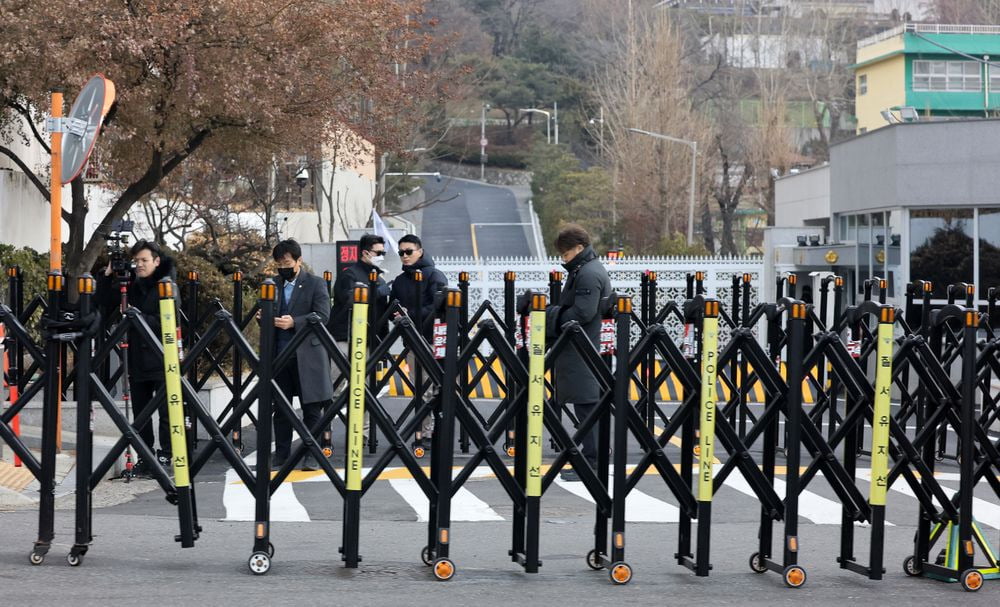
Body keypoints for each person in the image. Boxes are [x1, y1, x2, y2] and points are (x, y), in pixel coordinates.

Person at [97, 239, 179, 477]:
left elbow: (169, 319)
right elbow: (104, 301)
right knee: (141, 412)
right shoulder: (131, 283)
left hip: (162, 357)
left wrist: (137, 316)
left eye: (144, 260)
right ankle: (145, 455)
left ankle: (165, 454)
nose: (140, 265)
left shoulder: (166, 284)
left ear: (156, 261)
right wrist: (109, 273)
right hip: (136, 358)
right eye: (136, 261)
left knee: (166, 411)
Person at [546, 225, 611, 482]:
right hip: (580, 346)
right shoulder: (584, 270)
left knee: (587, 405)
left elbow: (583, 313)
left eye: (566, 253)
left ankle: (593, 461)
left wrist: (552, 316)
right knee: (586, 404)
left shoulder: (587, 274)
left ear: (579, 248)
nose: (564, 258)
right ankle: (591, 457)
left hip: (583, 347)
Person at [271, 239, 334, 470]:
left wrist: (294, 322)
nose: (282, 267)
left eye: (286, 262)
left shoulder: (315, 284)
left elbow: (322, 316)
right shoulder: (273, 284)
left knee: (312, 408)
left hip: (308, 355)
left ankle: (312, 455)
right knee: (281, 408)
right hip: (280, 354)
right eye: (278, 263)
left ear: (299, 261)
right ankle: (281, 455)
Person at [389, 234, 448, 452]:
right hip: (412, 342)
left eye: (408, 251)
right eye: (401, 252)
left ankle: (431, 432)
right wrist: (396, 316)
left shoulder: (434, 276)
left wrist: (409, 315)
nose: (404, 256)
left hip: (434, 341)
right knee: (420, 389)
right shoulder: (400, 281)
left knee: (434, 389)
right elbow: (392, 307)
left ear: (420, 251)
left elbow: (438, 307)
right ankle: (424, 432)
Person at [329, 234, 390, 442]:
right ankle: (324, 430)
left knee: (363, 390)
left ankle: (361, 433)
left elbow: (382, 312)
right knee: (334, 388)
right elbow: (350, 300)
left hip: (368, 342)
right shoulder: (350, 275)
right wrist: (379, 290)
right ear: (365, 252)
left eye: (383, 253)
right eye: (378, 253)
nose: (382, 256)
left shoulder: (380, 279)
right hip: (344, 339)